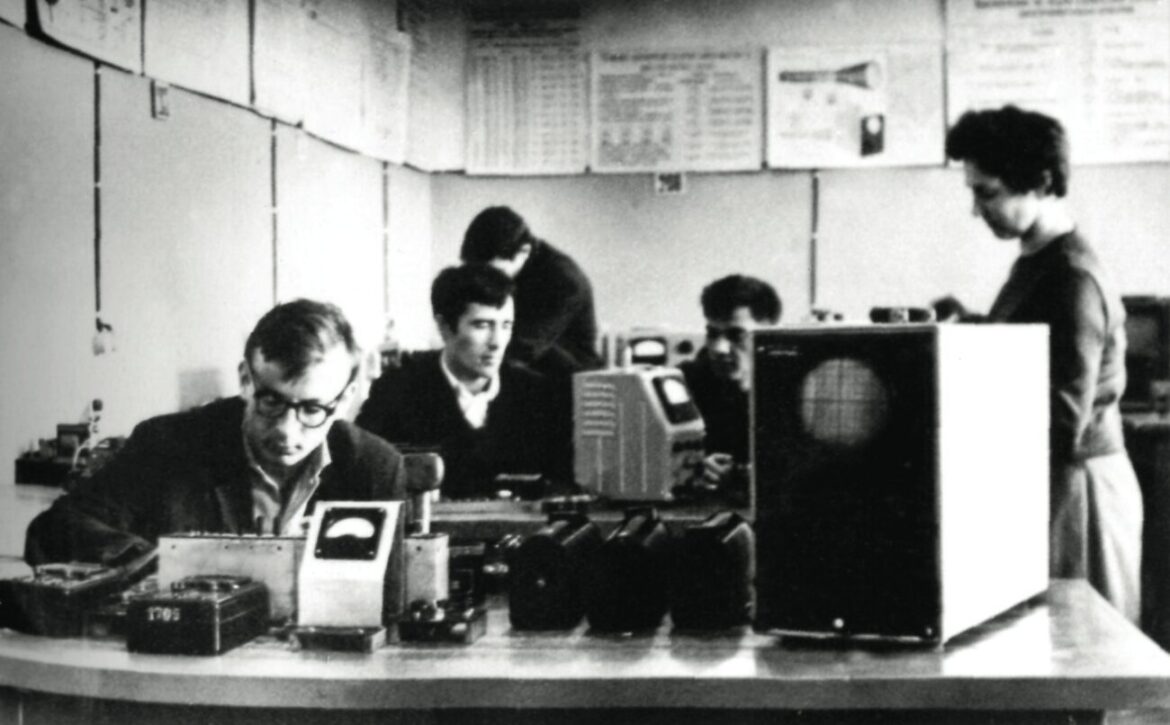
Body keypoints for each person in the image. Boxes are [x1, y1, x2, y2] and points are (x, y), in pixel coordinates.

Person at [945, 105, 1142, 622]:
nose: (976, 209)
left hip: (1078, 493)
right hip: (1058, 483)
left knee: (1083, 639)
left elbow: (1061, 421)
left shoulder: (1071, 277)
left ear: (1041, 182)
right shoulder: (1040, 261)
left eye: (986, 193)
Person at [25, 299, 407, 566]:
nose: (287, 432)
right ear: (245, 380)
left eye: (312, 410)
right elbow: (50, 531)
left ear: (345, 399)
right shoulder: (167, 445)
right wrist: (156, 563)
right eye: (271, 402)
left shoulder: (374, 468)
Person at [357, 264, 568, 499]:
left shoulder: (537, 394)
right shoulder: (396, 390)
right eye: (482, 325)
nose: (497, 342)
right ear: (444, 327)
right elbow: (361, 475)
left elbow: (562, 484)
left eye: (506, 325)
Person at [460, 206, 602, 376]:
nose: (485, 281)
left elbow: (522, 350)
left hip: (569, 380)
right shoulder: (510, 266)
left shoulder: (563, 280)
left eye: (493, 272)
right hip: (524, 368)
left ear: (524, 252)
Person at [679, 275, 781, 499]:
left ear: (769, 335)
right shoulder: (682, 384)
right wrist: (691, 467)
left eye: (736, 335)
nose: (719, 348)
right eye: (712, 334)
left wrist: (744, 476)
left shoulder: (788, 389)